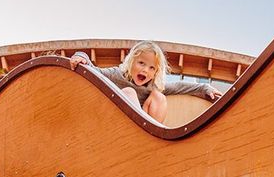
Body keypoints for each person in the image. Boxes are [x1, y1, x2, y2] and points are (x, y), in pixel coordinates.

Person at [69, 41, 222, 123]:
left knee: (159, 96)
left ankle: (153, 133)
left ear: (155, 72)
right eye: (141, 63)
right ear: (131, 62)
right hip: (119, 122)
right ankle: (140, 128)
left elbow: (180, 86)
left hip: (144, 127)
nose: (145, 70)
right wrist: (81, 56)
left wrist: (205, 88)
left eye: (151, 68)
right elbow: (95, 72)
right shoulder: (117, 75)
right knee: (129, 91)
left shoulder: (152, 87)